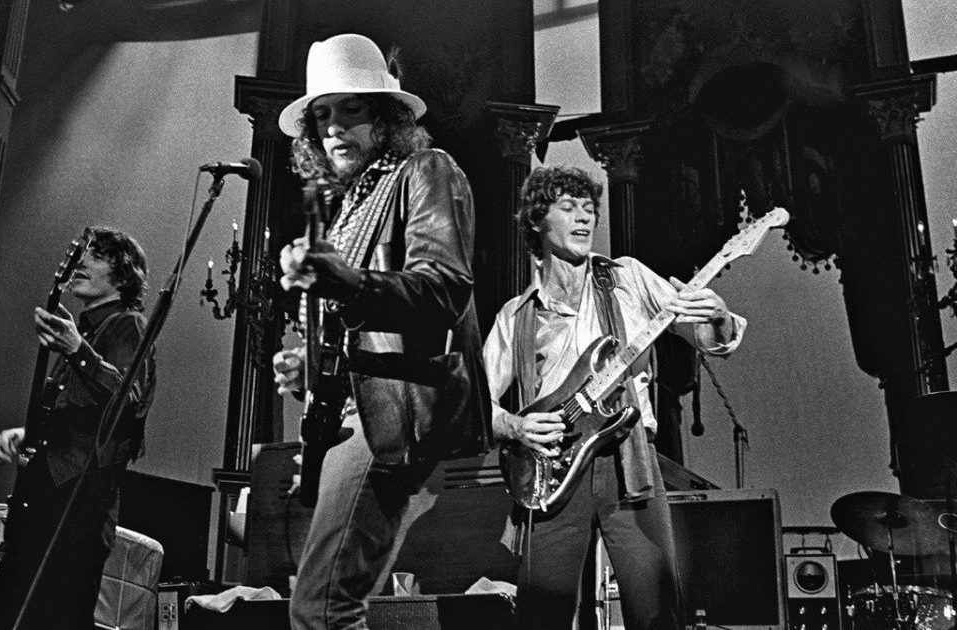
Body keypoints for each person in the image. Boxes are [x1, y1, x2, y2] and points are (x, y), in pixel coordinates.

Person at [272, 33, 490, 630]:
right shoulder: (349, 206)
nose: (334, 128)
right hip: (347, 415)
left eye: (352, 109)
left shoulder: (426, 170)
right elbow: (355, 330)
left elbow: (444, 289)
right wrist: (308, 365)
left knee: (321, 607)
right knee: (324, 605)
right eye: (322, 116)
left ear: (388, 117)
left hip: (390, 413)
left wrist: (345, 281)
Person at [484, 165, 746, 630]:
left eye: (589, 209)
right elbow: (473, 404)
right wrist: (515, 426)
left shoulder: (627, 278)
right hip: (552, 473)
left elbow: (708, 338)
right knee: (542, 618)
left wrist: (719, 315)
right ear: (537, 221)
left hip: (629, 461)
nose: (585, 217)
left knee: (656, 612)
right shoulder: (515, 316)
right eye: (569, 208)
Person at [0, 226, 157, 630]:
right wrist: (29, 434)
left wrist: (79, 350)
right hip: (49, 496)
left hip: (77, 504)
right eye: (83, 252)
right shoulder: (86, 332)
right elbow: (82, 414)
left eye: (96, 255)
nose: (81, 261)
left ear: (123, 274)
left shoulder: (128, 325)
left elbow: (128, 403)